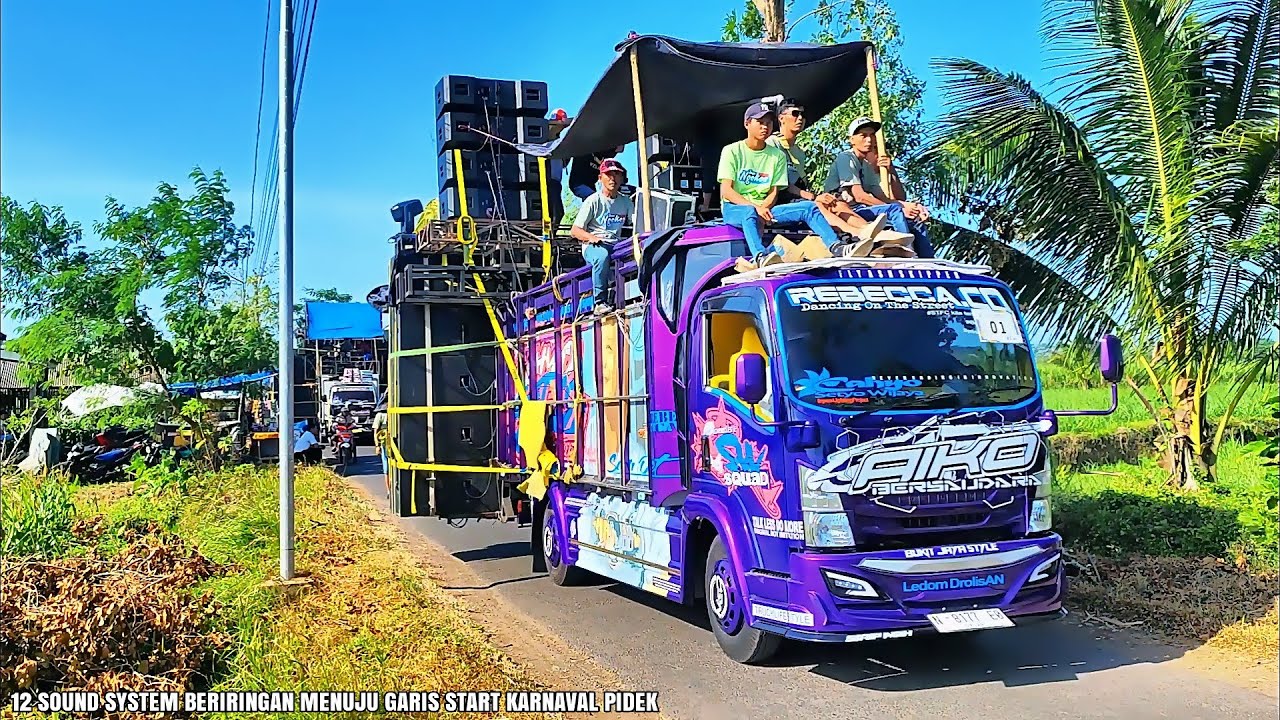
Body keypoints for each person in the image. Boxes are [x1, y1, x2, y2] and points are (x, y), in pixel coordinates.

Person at [718, 101, 848, 272]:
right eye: (760, 122)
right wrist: (756, 209)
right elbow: (726, 191)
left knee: (809, 207)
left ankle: (837, 246)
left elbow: (774, 191)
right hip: (735, 209)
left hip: (766, 209)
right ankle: (761, 256)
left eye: (769, 123)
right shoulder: (732, 150)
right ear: (747, 124)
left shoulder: (777, 155)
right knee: (749, 213)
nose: (765, 127)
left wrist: (763, 209)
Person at [767, 99, 905, 253]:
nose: (800, 118)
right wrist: (813, 197)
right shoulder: (772, 144)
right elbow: (778, 183)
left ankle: (870, 232)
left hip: (798, 196)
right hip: (780, 198)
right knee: (819, 205)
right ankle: (857, 235)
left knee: (835, 204)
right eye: (795, 114)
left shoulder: (799, 152)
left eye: (803, 114)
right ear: (781, 118)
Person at [824, 116, 935, 258]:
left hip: (862, 210)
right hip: (846, 211)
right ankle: (906, 253)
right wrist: (899, 208)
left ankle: (929, 261)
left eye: (872, 135)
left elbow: (883, 198)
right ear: (852, 140)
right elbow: (859, 196)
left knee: (915, 221)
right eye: (863, 136)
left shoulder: (866, 166)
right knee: (894, 210)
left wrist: (910, 206)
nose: (869, 140)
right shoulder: (846, 158)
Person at [570, 158, 634, 314]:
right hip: (594, 246)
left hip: (616, 244)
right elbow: (575, 230)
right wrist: (591, 238)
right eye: (608, 175)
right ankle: (600, 301)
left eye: (616, 175)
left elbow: (636, 223)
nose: (613, 179)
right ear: (600, 178)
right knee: (601, 256)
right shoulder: (593, 201)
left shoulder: (626, 202)